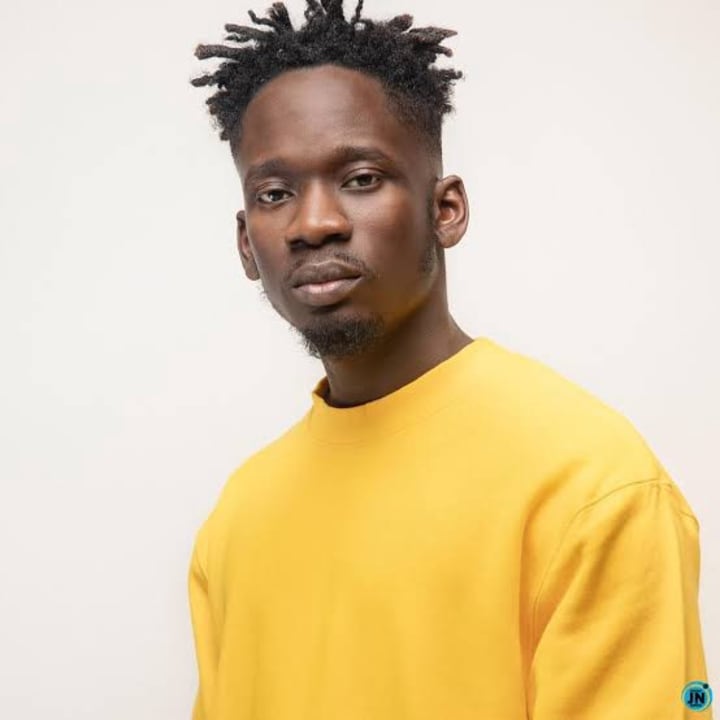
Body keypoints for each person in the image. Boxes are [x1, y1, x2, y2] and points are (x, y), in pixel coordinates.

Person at [187, 1, 713, 718]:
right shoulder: (237, 519)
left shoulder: (592, 486)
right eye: (275, 194)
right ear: (248, 244)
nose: (314, 223)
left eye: (361, 178)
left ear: (447, 210)